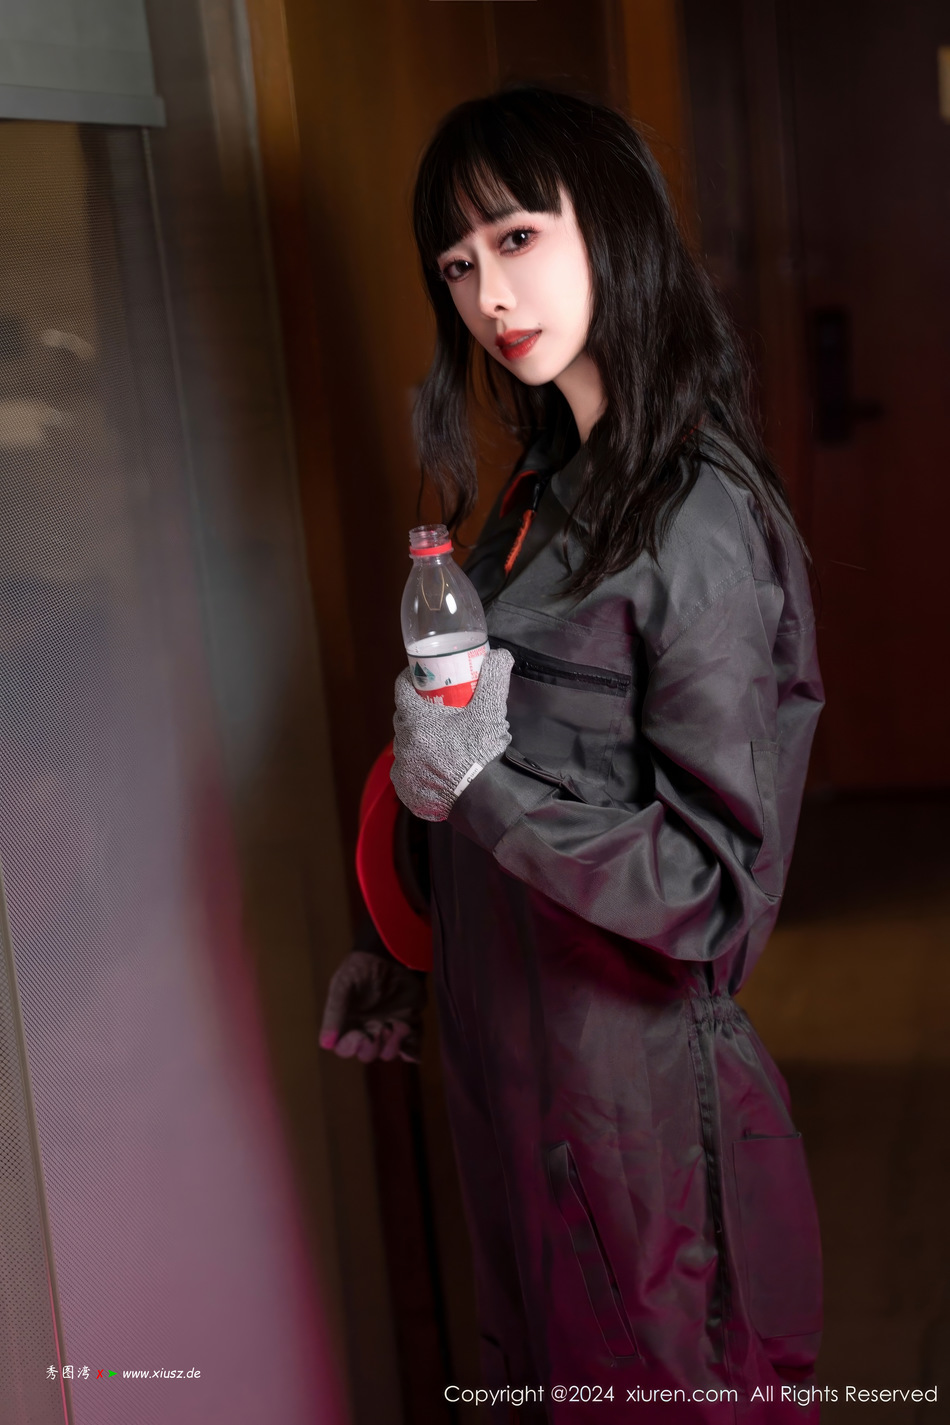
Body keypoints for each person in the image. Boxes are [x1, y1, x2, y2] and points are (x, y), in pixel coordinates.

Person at [320, 86, 825, 1423]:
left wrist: (483, 793)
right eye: (457, 263)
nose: (490, 293)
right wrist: (406, 941)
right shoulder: (535, 495)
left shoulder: (693, 521)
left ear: (610, 225)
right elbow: (483, 749)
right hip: (507, 1069)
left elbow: (714, 883)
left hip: (632, 1112)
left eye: (516, 237)